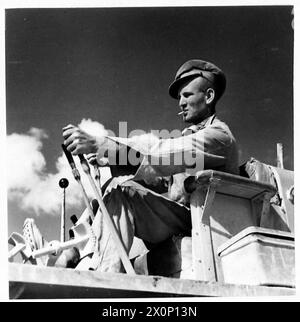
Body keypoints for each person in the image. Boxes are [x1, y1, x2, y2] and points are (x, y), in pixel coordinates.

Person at [23, 59, 239, 272]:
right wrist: (110, 158)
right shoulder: (194, 135)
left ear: (209, 96)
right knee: (116, 188)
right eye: (180, 97)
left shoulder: (218, 136)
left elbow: (161, 152)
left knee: (123, 193)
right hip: (186, 218)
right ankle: (72, 255)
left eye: (187, 95)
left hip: (208, 224)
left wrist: (101, 144)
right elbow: (158, 178)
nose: (180, 102)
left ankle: (99, 275)